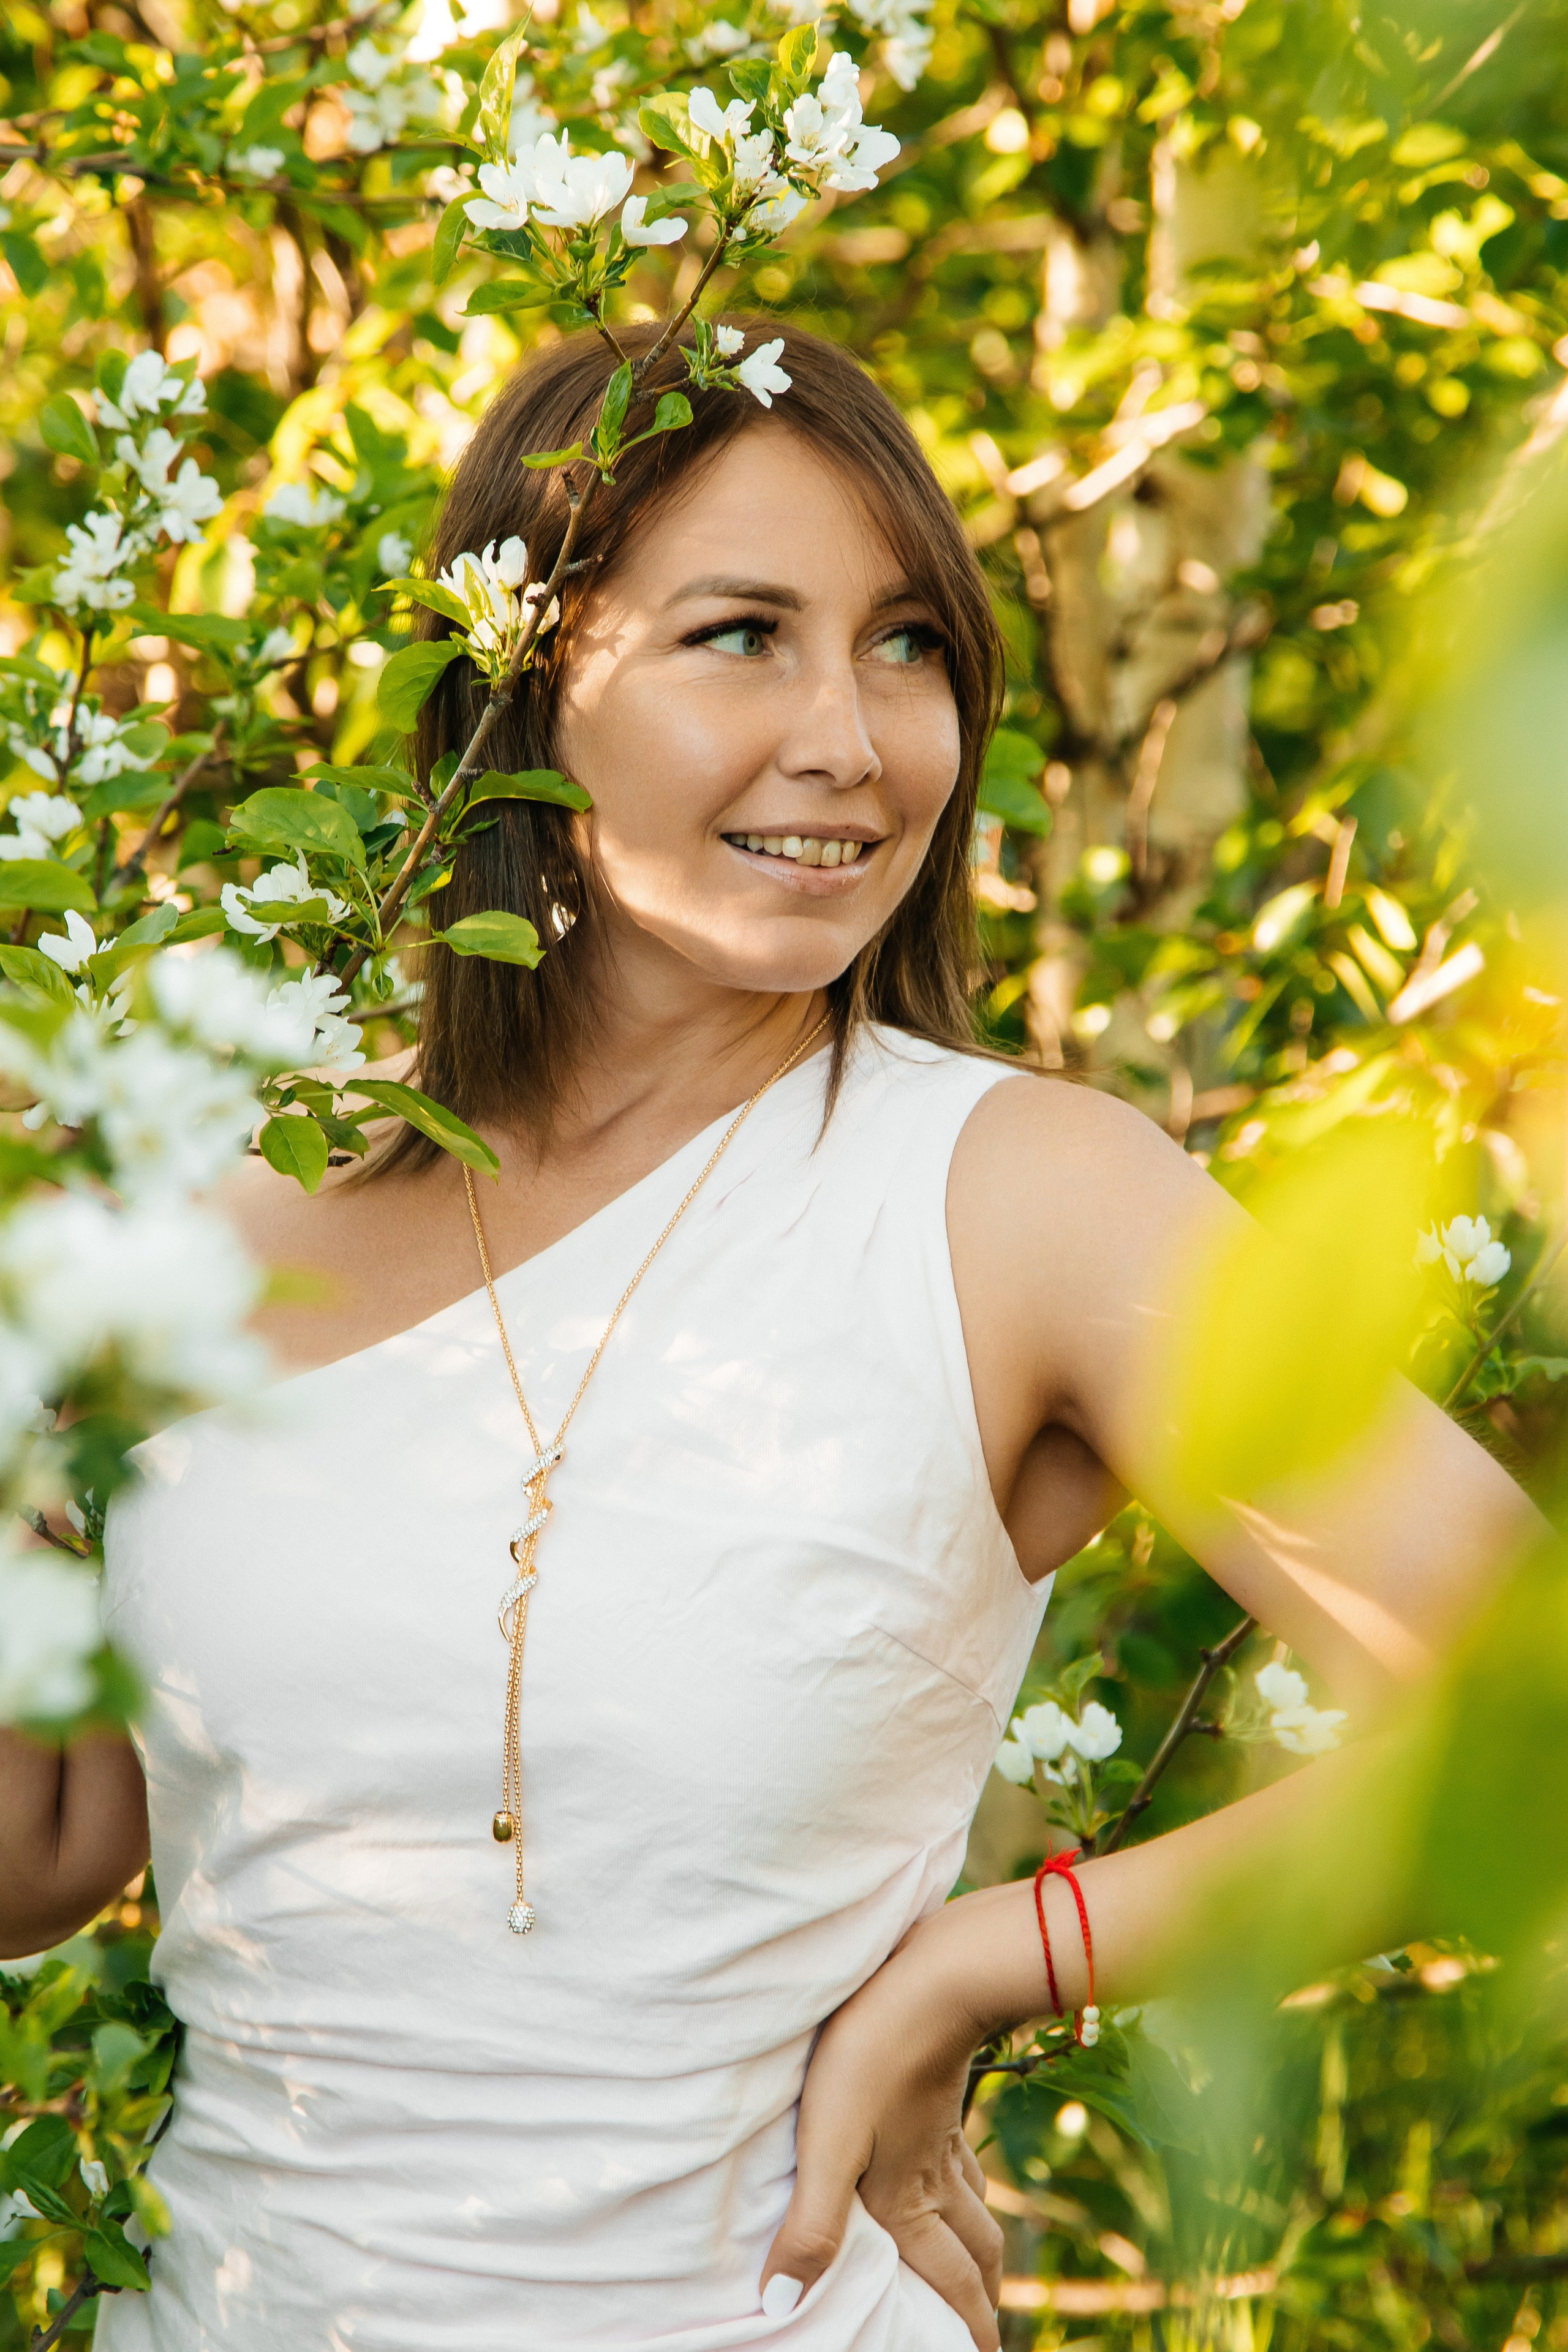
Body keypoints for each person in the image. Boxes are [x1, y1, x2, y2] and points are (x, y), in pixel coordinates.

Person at [0, 321, 1536, 2352]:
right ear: (530, 677)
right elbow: (53, 1855)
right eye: (745, 635)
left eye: (907, 646)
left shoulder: (1023, 1199)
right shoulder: (226, 1199)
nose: (855, 738)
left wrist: (988, 1962)